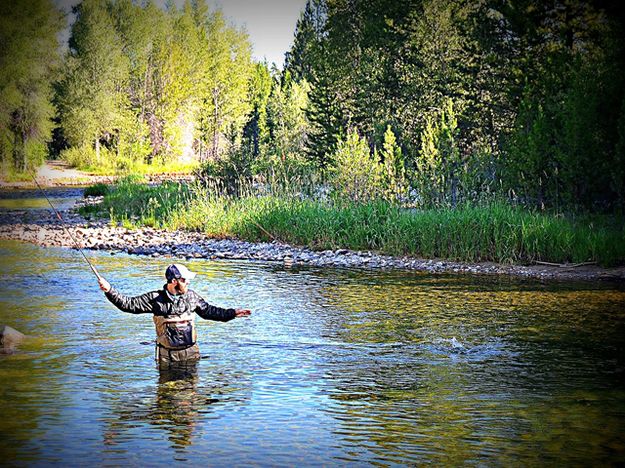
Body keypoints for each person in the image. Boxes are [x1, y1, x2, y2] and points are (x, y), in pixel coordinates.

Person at [98, 263, 251, 366]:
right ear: (173, 281)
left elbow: (210, 312)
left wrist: (233, 313)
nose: (188, 282)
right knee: (167, 399)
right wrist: (109, 290)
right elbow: (128, 304)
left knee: (190, 400)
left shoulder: (192, 297)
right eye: (184, 280)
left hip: (191, 356)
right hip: (167, 360)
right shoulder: (155, 299)